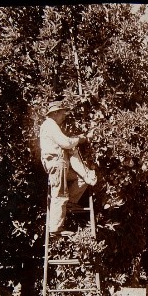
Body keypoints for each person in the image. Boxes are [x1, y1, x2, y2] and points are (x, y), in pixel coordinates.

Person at [39, 100, 97, 236]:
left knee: (82, 179)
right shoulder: (50, 124)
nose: (64, 116)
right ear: (55, 113)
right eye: (62, 113)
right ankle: (55, 228)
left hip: (61, 164)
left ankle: (70, 202)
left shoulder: (51, 125)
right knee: (59, 194)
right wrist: (79, 139)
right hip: (56, 163)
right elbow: (65, 142)